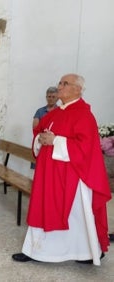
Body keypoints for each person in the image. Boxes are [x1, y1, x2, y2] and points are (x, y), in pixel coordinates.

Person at [12, 73, 111, 265]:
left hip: (72, 176)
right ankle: (36, 250)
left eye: (65, 84)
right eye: (60, 82)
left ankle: (86, 252)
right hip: (48, 174)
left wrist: (55, 140)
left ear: (78, 90)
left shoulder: (84, 114)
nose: (60, 86)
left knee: (75, 216)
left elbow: (86, 147)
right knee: (43, 207)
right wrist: (40, 139)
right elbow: (40, 132)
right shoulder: (55, 113)